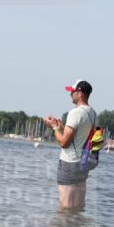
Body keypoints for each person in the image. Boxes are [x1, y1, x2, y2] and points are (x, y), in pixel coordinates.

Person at [43, 79, 98, 211]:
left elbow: (64, 142)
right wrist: (61, 126)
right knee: (78, 206)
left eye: (72, 91)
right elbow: (80, 136)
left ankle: (64, 225)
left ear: (80, 93)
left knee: (65, 207)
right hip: (84, 163)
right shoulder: (93, 113)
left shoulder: (75, 113)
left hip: (70, 163)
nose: (70, 94)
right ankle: (75, 225)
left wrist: (54, 127)